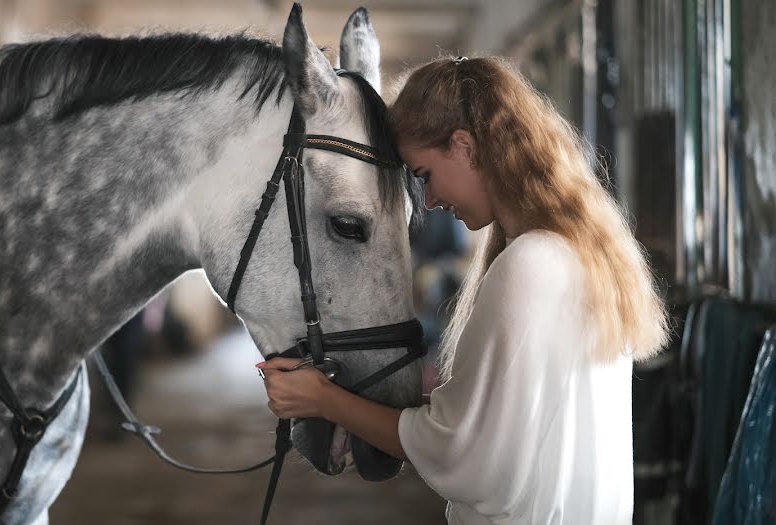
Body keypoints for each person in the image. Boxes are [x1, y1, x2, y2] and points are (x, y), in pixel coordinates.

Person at [257, 55, 670, 525]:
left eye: (425, 175)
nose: (429, 201)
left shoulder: (530, 265)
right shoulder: (573, 253)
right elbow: (498, 421)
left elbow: (464, 454)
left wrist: (324, 401)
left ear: (464, 146)